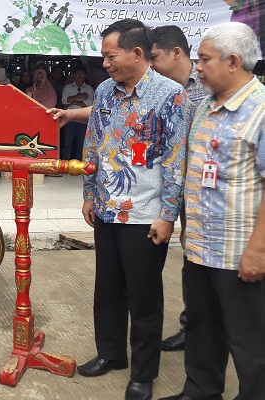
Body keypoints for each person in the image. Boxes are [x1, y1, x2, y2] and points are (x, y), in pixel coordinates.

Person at [76, 19, 189, 400]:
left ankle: (142, 373)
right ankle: (111, 355)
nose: (105, 63)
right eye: (104, 57)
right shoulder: (106, 91)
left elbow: (175, 161)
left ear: (136, 53)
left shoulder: (170, 95)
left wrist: (167, 215)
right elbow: (92, 145)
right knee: (107, 290)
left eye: (111, 56)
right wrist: (90, 193)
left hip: (144, 215)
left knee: (143, 297)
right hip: (106, 210)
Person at [160, 22, 265, 400]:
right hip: (201, 248)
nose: (198, 67)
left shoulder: (260, 110)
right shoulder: (204, 105)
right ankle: (201, 391)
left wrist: (258, 250)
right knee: (203, 329)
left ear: (233, 61)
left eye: (204, 59)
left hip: (240, 254)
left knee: (250, 342)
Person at [149, 25, 208, 353]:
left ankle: (214, 327)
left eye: (155, 56)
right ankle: (193, 327)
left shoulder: (207, 87)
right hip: (179, 188)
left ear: (176, 52)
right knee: (192, 259)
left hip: (209, 188)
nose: (152, 64)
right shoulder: (159, 90)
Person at [60, 64, 93, 160]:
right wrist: (79, 96)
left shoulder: (89, 89)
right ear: (74, 75)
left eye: (82, 73)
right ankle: (64, 164)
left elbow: (89, 104)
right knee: (67, 143)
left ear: (85, 75)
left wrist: (73, 102)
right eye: (78, 73)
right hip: (69, 118)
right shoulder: (68, 87)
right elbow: (64, 101)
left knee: (81, 143)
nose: (80, 75)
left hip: (82, 118)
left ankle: (79, 165)